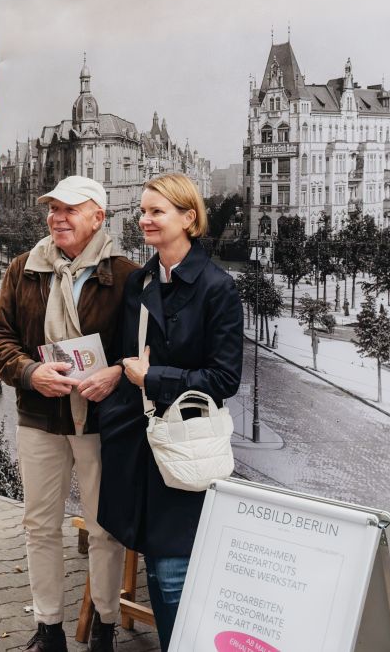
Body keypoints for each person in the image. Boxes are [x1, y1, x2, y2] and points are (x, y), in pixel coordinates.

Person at [0, 175, 136, 652]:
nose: (57, 217)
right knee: (40, 524)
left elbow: (141, 352)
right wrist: (30, 373)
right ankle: (49, 628)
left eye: (70, 209)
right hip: (41, 416)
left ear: (99, 216)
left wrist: (113, 373)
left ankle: (105, 630)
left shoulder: (127, 276)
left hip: (98, 419)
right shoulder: (23, 268)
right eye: (53, 209)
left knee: (104, 528)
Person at [96, 173, 243, 651]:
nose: (144, 219)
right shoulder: (139, 281)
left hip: (182, 445)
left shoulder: (218, 287)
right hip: (137, 443)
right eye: (142, 211)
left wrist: (153, 378)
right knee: (152, 561)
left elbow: (224, 380)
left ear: (189, 218)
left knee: (173, 566)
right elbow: (126, 355)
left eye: (156, 211)